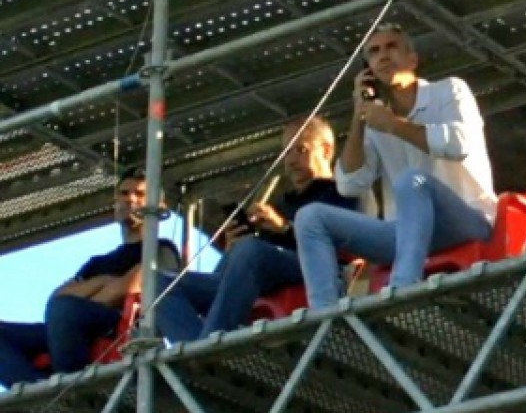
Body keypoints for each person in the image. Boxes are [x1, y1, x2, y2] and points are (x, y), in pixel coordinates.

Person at [294, 22, 497, 307]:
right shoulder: (376, 121)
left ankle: (402, 293)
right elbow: (350, 184)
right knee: (310, 217)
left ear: (412, 59)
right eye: (374, 52)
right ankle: (326, 320)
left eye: (392, 47)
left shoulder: (450, 90)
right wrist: (359, 115)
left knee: (412, 181)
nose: (383, 56)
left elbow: (459, 144)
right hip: (404, 235)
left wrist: (394, 125)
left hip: (467, 220)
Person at [155, 117, 359, 342]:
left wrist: (284, 228)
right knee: (157, 284)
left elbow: (349, 246)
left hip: (318, 271)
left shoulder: (342, 192)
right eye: (286, 153)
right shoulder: (282, 204)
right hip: (260, 276)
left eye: (300, 150)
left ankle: (208, 349)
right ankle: (195, 353)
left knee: (250, 251)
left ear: (326, 150)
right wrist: (235, 248)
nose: (290, 160)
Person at [0, 167, 180, 389]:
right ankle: (34, 390)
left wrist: (86, 296)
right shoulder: (96, 263)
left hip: (118, 326)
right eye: (124, 193)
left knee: (65, 310)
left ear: (159, 206)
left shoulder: (161, 249)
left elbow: (129, 287)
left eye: (140, 194)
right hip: (69, 328)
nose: (130, 199)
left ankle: (67, 389)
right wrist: (105, 282)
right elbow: (56, 297)